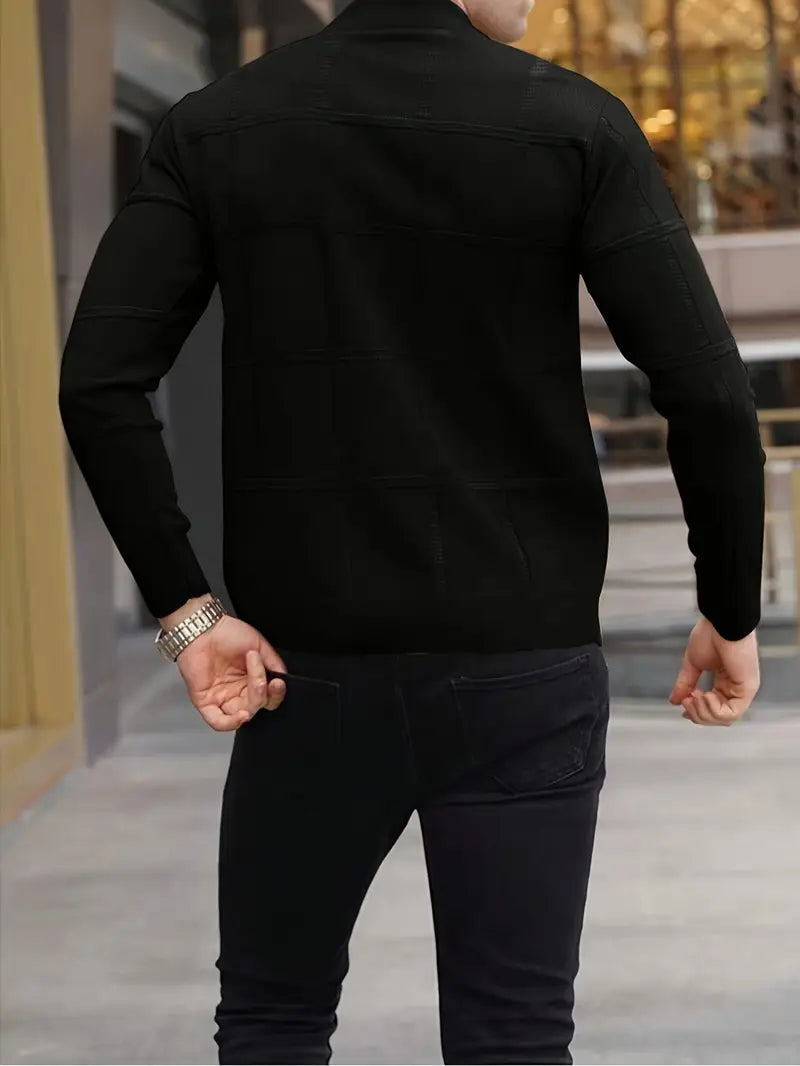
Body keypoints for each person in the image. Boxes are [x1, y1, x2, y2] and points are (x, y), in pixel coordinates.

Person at [57, 0, 766, 1062]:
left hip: (305, 674)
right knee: (514, 1037)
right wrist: (729, 604)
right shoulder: (572, 123)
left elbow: (98, 381)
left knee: (273, 1019)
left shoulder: (219, 125)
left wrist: (187, 613)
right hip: (522, 667)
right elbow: (706, 391)